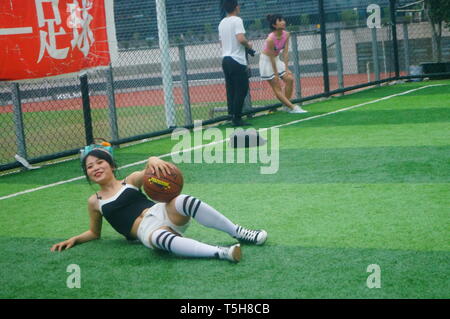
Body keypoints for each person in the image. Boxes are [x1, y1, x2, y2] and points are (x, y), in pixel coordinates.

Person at [50, 142, 267, 263]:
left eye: (100, 162)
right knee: (159, 238)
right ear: (88, 175)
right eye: (90, 167)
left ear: (112, 166)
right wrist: (74, 240)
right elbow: (94, 233)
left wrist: (154, 159)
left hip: (162, 211)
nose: (96, 168)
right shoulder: (94, 202)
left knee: (183, 200)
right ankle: (220, 252)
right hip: (146, 231)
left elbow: (150, 166)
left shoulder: (131, 180)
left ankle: (239, 232)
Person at [259, 14, 307, 114]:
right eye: (280, 21)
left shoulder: (286, 34)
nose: (283, 22)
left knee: (289, 79)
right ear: (274, 25)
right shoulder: (270, 39)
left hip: (276, 59)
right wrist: (276, 74)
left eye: (283, 20)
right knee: (277, 87)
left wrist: (286, 68)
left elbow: (285, 53)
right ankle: (293, 107)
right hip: (267, 61)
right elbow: (271, 57)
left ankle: (286, 106)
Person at [218, 0, 253, 127]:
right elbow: (241, 38)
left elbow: (221, 43)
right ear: (236, 7)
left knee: (231, 89)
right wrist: (248, 44)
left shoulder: (222, 22)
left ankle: (232, 115)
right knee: (242, 89)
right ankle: (237, 117)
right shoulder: (237, 20)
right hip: (236, 60)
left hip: (225, 59)